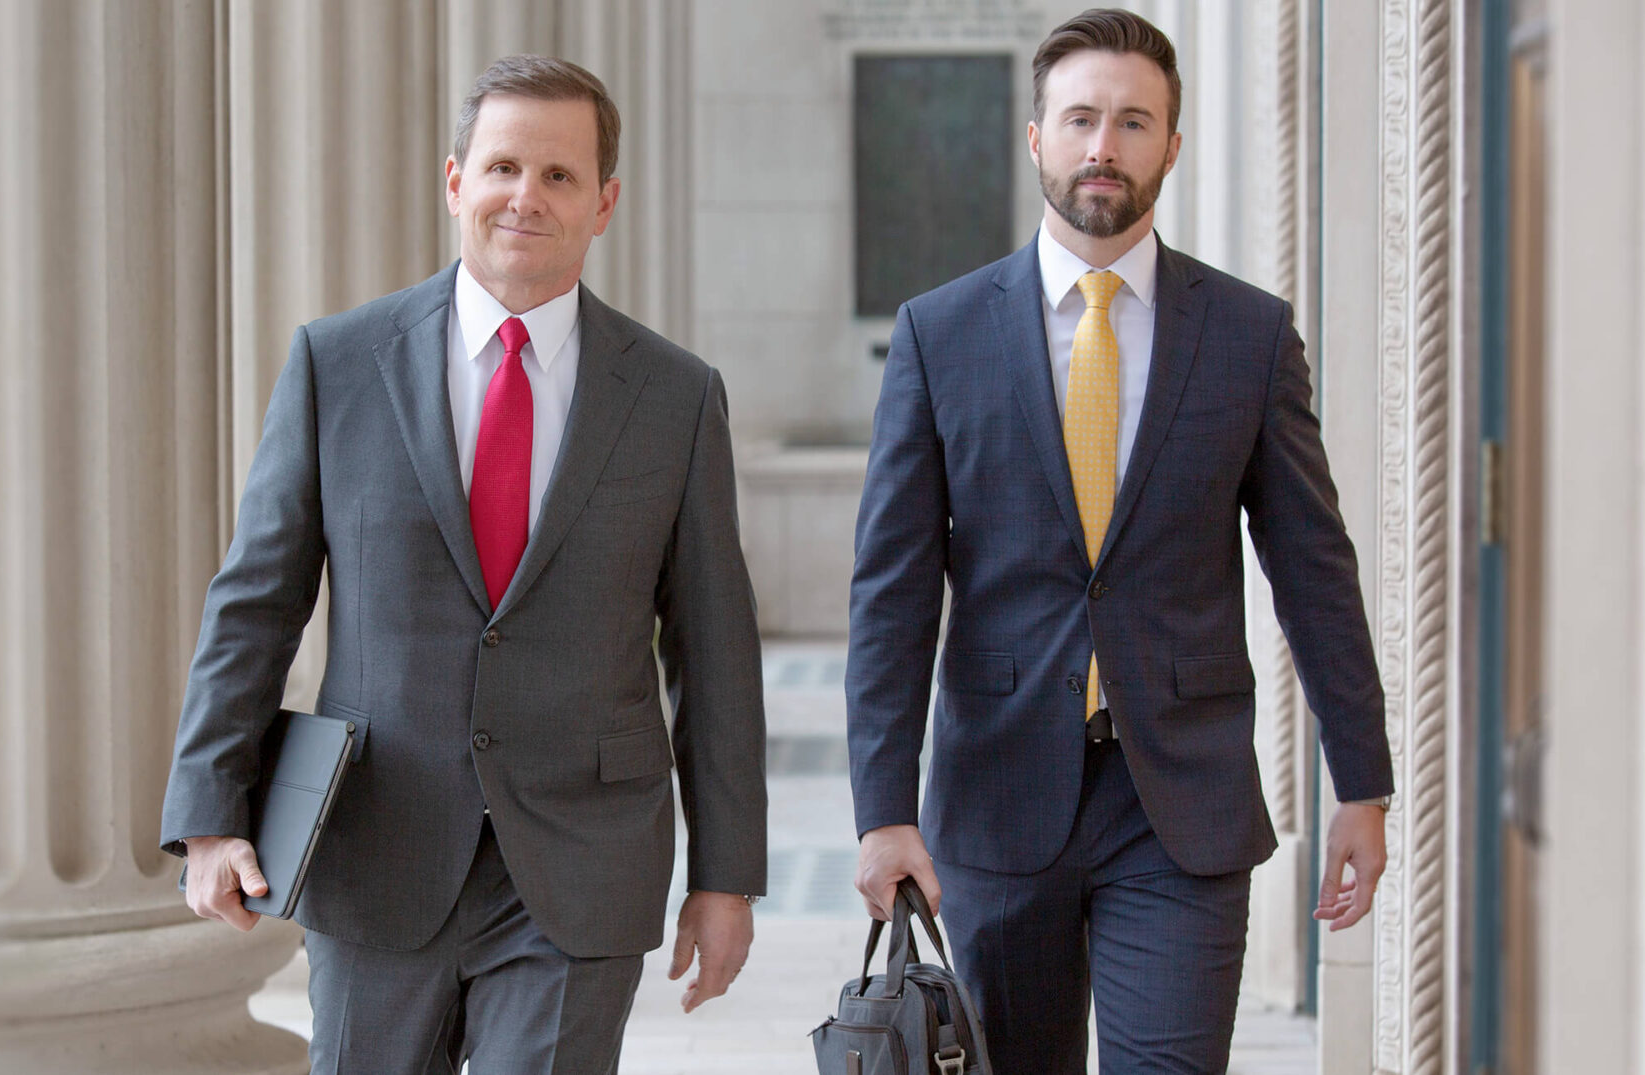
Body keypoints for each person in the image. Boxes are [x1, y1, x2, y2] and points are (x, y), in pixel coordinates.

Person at [160, 55, 765, 1075]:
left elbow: (714, 648)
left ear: (604, 202)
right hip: (378, 846)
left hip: (581, 862)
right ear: (455, 183)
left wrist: (726, 875)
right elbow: (256, 601)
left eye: (560, 176)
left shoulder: (674, 396)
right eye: (502, 168)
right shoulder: (338, 364)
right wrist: (211, 812)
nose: (526, 195)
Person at [843, 10, 1394, 1072]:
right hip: (996, 809)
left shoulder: (1248, 335)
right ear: (1037, 136)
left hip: (1180, 807)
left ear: (1172, 148)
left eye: (1135, 122)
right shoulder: (940, 334)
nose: (1106, 145)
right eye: (1083, 118)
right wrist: (882, 809)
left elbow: (1314, 570)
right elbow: (893, 595)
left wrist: (1359, 783)